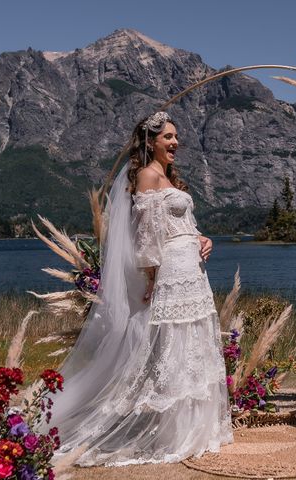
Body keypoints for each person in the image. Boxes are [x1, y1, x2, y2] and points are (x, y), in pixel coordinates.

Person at [47, 111, 233, 466]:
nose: (175, 142)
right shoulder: (148, 175)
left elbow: (181, 224)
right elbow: (146, 236)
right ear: (151, 142)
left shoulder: (168, 175)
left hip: (192, 268)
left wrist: (203, 238)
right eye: (168, 137)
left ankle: (200, 427)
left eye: (176, 137)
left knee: (195, 340)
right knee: (174, 343)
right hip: (172, 271)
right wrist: (151, 278)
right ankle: (174, 432)